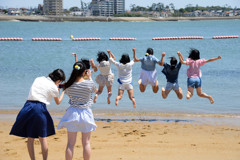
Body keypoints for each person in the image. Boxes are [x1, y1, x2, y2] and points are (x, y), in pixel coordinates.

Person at [9, 69, 66, 160]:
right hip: (39, 108)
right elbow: (58, 101)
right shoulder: (54, 88)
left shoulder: (39, 78)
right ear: (58, 80)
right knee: (42, 138)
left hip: (27, 106)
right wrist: (63, 91)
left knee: (30, 138)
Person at [57, 61, 98, 160]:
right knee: (86, 143)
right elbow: (96, 91)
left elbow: (62, 88)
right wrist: (89, 78)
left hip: (72, 113)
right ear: (84, 72)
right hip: (86, 113)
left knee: (70, 144)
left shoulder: (69, 85)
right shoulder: (89, 84)